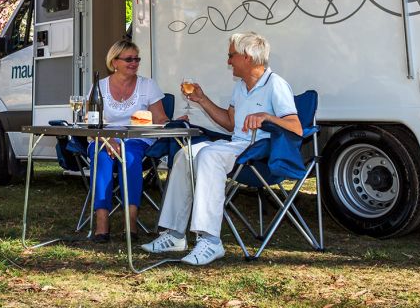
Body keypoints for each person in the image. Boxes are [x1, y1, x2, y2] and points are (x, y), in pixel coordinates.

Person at [140, 31, 299, 265]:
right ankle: (175, 235)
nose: (228, 61)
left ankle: (210, 240)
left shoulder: (276, 85)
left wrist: (268, 117)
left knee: (208, 154)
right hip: (237, 146)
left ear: (247, 57)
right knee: (185, 155)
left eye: (231, 56)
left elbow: (296, 128)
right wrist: (202, 100)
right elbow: (231, 123)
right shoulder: (241, 87)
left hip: (259, 151)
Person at [87, 40, 169, 242]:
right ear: (114, 62)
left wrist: (172, 122)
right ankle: (102, 221)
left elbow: (160, 119)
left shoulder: (147, 85)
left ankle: (130, 220)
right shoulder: (99, 87)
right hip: (103, 137)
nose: (134, 63)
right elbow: (92, 122)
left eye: (136, 59)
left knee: (129, 155)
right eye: (129, 59)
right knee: (101, 157)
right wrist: (108, 139)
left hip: (137, 139)